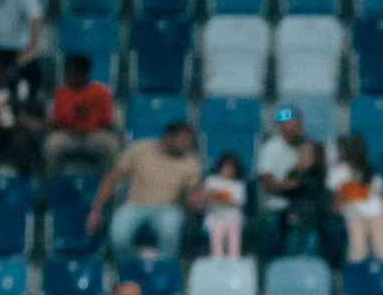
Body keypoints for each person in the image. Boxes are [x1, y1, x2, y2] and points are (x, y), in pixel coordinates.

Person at [87, 121, 203, 257]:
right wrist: (96, 209)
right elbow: (111, 178)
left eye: (189, 142)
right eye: (183, 141)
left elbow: (191, 193)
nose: (187, 145)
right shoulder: (139, 150)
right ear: (168, 137)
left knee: (170, 231)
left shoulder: (191, 161)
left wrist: (195, 201)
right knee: (119, 236)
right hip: (135, 205)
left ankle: (163, 266)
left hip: (169, 208)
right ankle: (129, 265)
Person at [43, 54, 120, 177]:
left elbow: (107, 124)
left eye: (71, 73)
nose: (67, 76)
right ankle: (54, 183)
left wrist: (89, 128)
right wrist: (72, 129)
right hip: (69, 135)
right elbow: (57, 123)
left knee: (112, 145)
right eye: (67, 73)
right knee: (52, 145)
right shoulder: (61, 92)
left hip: (93, 135)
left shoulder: (101, 91)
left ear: (83, 74)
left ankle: (108, 185)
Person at [254, 105, 310, 257]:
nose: (288, 128)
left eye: (292, 124)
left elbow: (316, 181)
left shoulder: (310, 147)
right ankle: (273, 266)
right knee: (271, 223)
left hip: (305, 205)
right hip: (278, 205)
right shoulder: (270, 148)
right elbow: (268, 185)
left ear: (300, 125)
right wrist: (295, 183)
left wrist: (288, 184)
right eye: (283, 125)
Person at [330, 135, 383, 263]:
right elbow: (336, 196)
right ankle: (356, 273)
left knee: (382, 248)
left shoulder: (368, 169)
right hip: (354, 215)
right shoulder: (338, 171)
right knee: (357, 250)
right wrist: (337, 208)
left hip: (376, 213)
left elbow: (380, 192)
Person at [278, 137, 329, 257]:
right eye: (301, 152)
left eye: (306, 153)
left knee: (311, 246)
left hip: (313, 219)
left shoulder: (318, 173)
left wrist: (297, 181)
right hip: (294, 217)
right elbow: (285, 188)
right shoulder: (293, 172)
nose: (302, 156)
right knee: (292, 244)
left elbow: (309, 186)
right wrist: (295, 176)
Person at [201, 153, 247, 259]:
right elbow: (205, 196)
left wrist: (221, 197)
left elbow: (237, 202)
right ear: (219, 168)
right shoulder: (211, 180)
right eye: (225, 169)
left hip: (233, 219)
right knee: (217, 235)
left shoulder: (238, 185)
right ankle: (217, 259)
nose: (227, 172)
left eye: (231, 170)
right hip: (215, 218)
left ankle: (234, 259)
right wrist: (212, 196)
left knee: (234, 237)